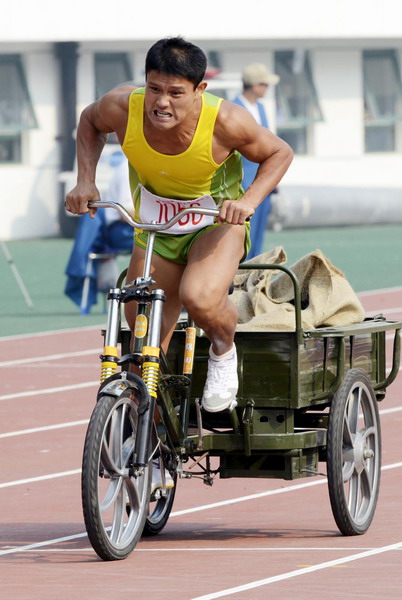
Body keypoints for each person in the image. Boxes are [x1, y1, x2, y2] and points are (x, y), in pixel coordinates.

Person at [65, 36, 293, 414]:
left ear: (199, 89)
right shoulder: (123, 106)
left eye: (175, 93)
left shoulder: (226, 120)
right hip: (156, 228)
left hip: (214, 225)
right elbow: (90, 122)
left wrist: (248, 201)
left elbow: (279, 152)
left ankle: (223, 352)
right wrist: (86, 179)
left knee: (200, 297)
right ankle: (150, 432)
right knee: (141, 329)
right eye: (154, 88)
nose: (162, 102)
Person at [64, 151, 134, 313]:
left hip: (132, 227)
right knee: (165, 240)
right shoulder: (127, 169)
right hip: (120, 231)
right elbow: (126, 213)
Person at [233, 63, 280, 259]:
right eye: (265, 84)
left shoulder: (260, 108)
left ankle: (254, 270)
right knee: (243, 231)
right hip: (242, 180)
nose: (267, 89)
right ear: (255, 85)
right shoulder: (234, 108)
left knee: (259, 231)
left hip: (263, 179)